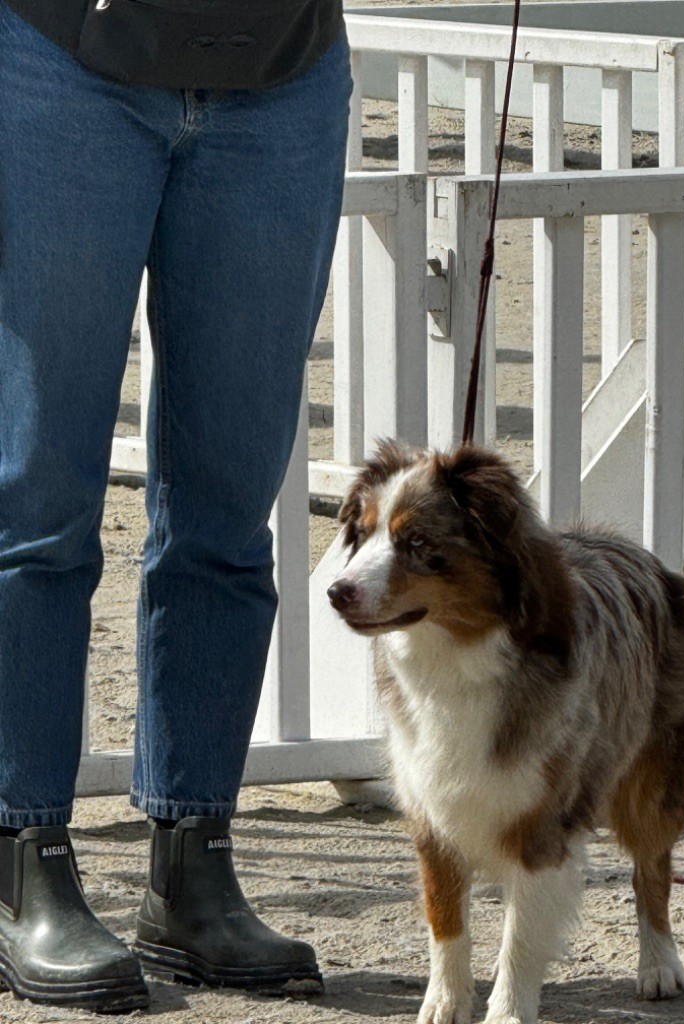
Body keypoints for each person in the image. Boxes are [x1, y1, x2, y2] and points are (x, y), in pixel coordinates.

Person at [0, 0, 351, 1012]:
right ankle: (23, 862)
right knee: (40, 501)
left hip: (283, 71)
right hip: (60, 56)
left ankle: (194, 866)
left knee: (229, 507)